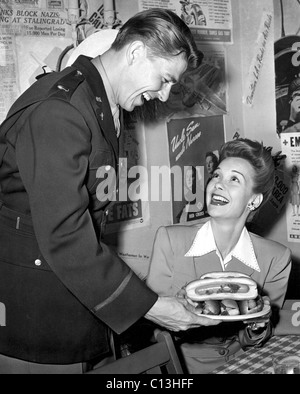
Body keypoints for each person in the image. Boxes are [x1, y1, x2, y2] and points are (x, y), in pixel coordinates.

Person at [0, 9, 220, 374]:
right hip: (36, 311)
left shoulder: (95, 99)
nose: (165, 95)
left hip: (66, 293)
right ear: (135, 53)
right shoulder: (62, 111)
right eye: (164, 79)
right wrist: (152, 306)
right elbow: (65, 235)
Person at [147, 138, 292, 374]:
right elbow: (151, 329)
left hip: (245, 363)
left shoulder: (276, 258)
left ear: (254, 200)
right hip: (181, 365)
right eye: (216, 175)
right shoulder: (170, 240)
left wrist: (258, 326)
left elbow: (258, 337)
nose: (218, 184)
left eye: (234, 179)